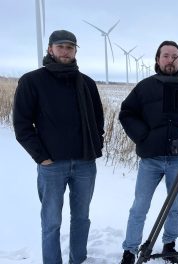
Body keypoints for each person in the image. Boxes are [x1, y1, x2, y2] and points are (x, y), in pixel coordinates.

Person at [13, 30, 104, 264]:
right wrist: (41, 157)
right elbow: (22, 125)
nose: (65, 51)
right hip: (52, 165)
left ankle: (78, 260)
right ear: (50, 49)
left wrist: (96, 144)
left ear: (75, 51)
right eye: (60, 46)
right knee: (51, 222)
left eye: (70, 47)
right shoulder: (32, 81)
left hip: (85, 163)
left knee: (82, 218)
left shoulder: (86, 83)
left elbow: (98, 119)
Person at [118, 40, 178, 264]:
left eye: (174, 56)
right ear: (157, 59)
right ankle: (130, 250)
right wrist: (143, 136)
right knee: (140, 206)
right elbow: (126, 113)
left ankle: (169, 245)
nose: (170, 60)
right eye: (165, 55)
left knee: (175, 207)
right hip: (151, 159)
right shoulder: (144, 86)